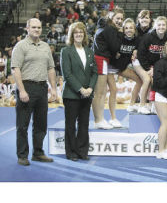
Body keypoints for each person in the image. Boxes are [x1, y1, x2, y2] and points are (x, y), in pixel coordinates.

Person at [11, 18, 57, 166]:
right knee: (23, 124)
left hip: (42, 88)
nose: (37, 30)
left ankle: (38, 152)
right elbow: (15, 68)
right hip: (27, 87)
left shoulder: (45, 46)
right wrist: (22, 90)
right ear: (27, 28)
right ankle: (22, 155)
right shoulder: (20, 46)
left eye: (39, 27)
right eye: (34, 27)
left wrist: (54, 88)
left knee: (41, 124)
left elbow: (50, 68)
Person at [60, 22, 98, 161]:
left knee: (84, 124)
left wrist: (90, 88)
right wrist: (81, 89)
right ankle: (71, 152)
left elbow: (95, 73)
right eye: (76, 32)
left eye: (81, 32)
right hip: (71, 95)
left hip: (87, 95)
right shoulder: (66, 51)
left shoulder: (89, 51)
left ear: (84, 34)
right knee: (70, 124)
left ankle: (82, 151)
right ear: (71, 35)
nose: (79, 34)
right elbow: (67, 74)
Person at [92, 9, 123, 129]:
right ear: (111, 17)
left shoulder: (106, 27)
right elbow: (115, 47)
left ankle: (100, 119)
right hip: (100, 59)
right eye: (117, 18)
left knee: (102, 92)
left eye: (121, 19)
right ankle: (98, 120)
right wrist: (120, 33)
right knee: (99, 93)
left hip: (102, 59)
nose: (120, 21)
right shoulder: (109, 29)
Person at [137, 16, 167, 114]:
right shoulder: (148, 37)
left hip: (158, 66)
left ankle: (155, 104)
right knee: (149, 80)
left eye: (163, 25)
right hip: (144, 64)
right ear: (155, 25)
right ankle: (143, 104)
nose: (161, 27)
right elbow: (141, 54)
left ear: (166, 26)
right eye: (159, 25)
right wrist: (148, 68)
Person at [109, 18, 142, 113]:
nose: (129, 30)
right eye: (126, 28)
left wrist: (136, 50)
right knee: (112, 90)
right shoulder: (119, 37)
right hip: (111, 66)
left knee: (139, 81)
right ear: (123, 30)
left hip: (122, 68)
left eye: (131, 28)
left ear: (134, 29)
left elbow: (139, 49)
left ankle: (131, 105)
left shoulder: (138, 40)